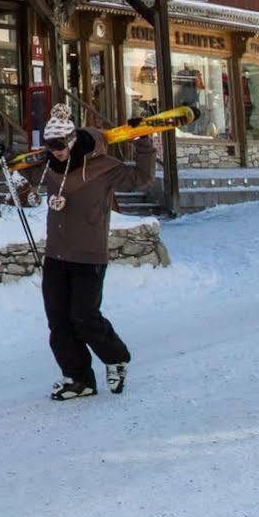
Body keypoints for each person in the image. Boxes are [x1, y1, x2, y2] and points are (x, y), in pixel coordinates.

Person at [22, 104, 154, 401]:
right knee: (58, 320)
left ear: (71, 141)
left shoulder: (102, 166)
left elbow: (141, 178)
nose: (55, 151)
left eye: (59, 145)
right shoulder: (48, 167)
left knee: (84, 316)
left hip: (88, 255)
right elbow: (23, 188)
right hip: (56, 254)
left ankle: (116, 358)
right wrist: (12, 177)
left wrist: (143, 143)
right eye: (50, 145)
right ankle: (78, 378)